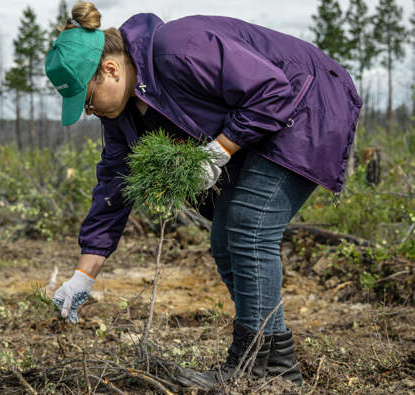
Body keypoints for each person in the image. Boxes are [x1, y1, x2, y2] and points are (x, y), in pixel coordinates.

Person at [45, 1, 361, 388]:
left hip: (308, 103)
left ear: (109, 69)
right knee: (225, 240)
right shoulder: (123, 114)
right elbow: (113, 185)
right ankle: (276, 364)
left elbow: (273, 90)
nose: (89, 112)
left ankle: (254, 366)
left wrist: (221, 149)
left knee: (249, 226)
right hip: (267, 121)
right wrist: (84, 275)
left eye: (88, 100)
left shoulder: (180, 48)